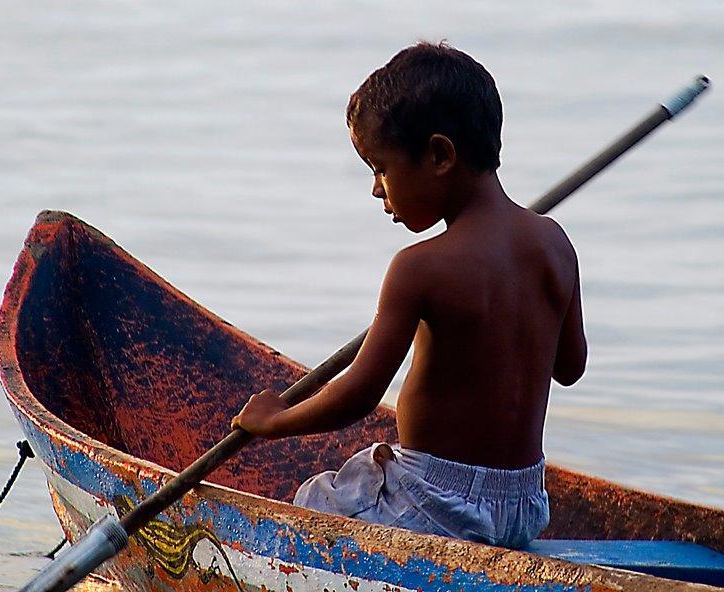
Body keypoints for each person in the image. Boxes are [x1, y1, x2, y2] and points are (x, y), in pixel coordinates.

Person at [231, 41, 587, 549]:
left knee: (312, 502)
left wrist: (275, 421)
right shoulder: (554, 243)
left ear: (440, 155)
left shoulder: (419, 268)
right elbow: (570, 368)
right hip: (523, 505)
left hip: (432, 502)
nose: (378, 190)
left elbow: (360, 392)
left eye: (381, 168)